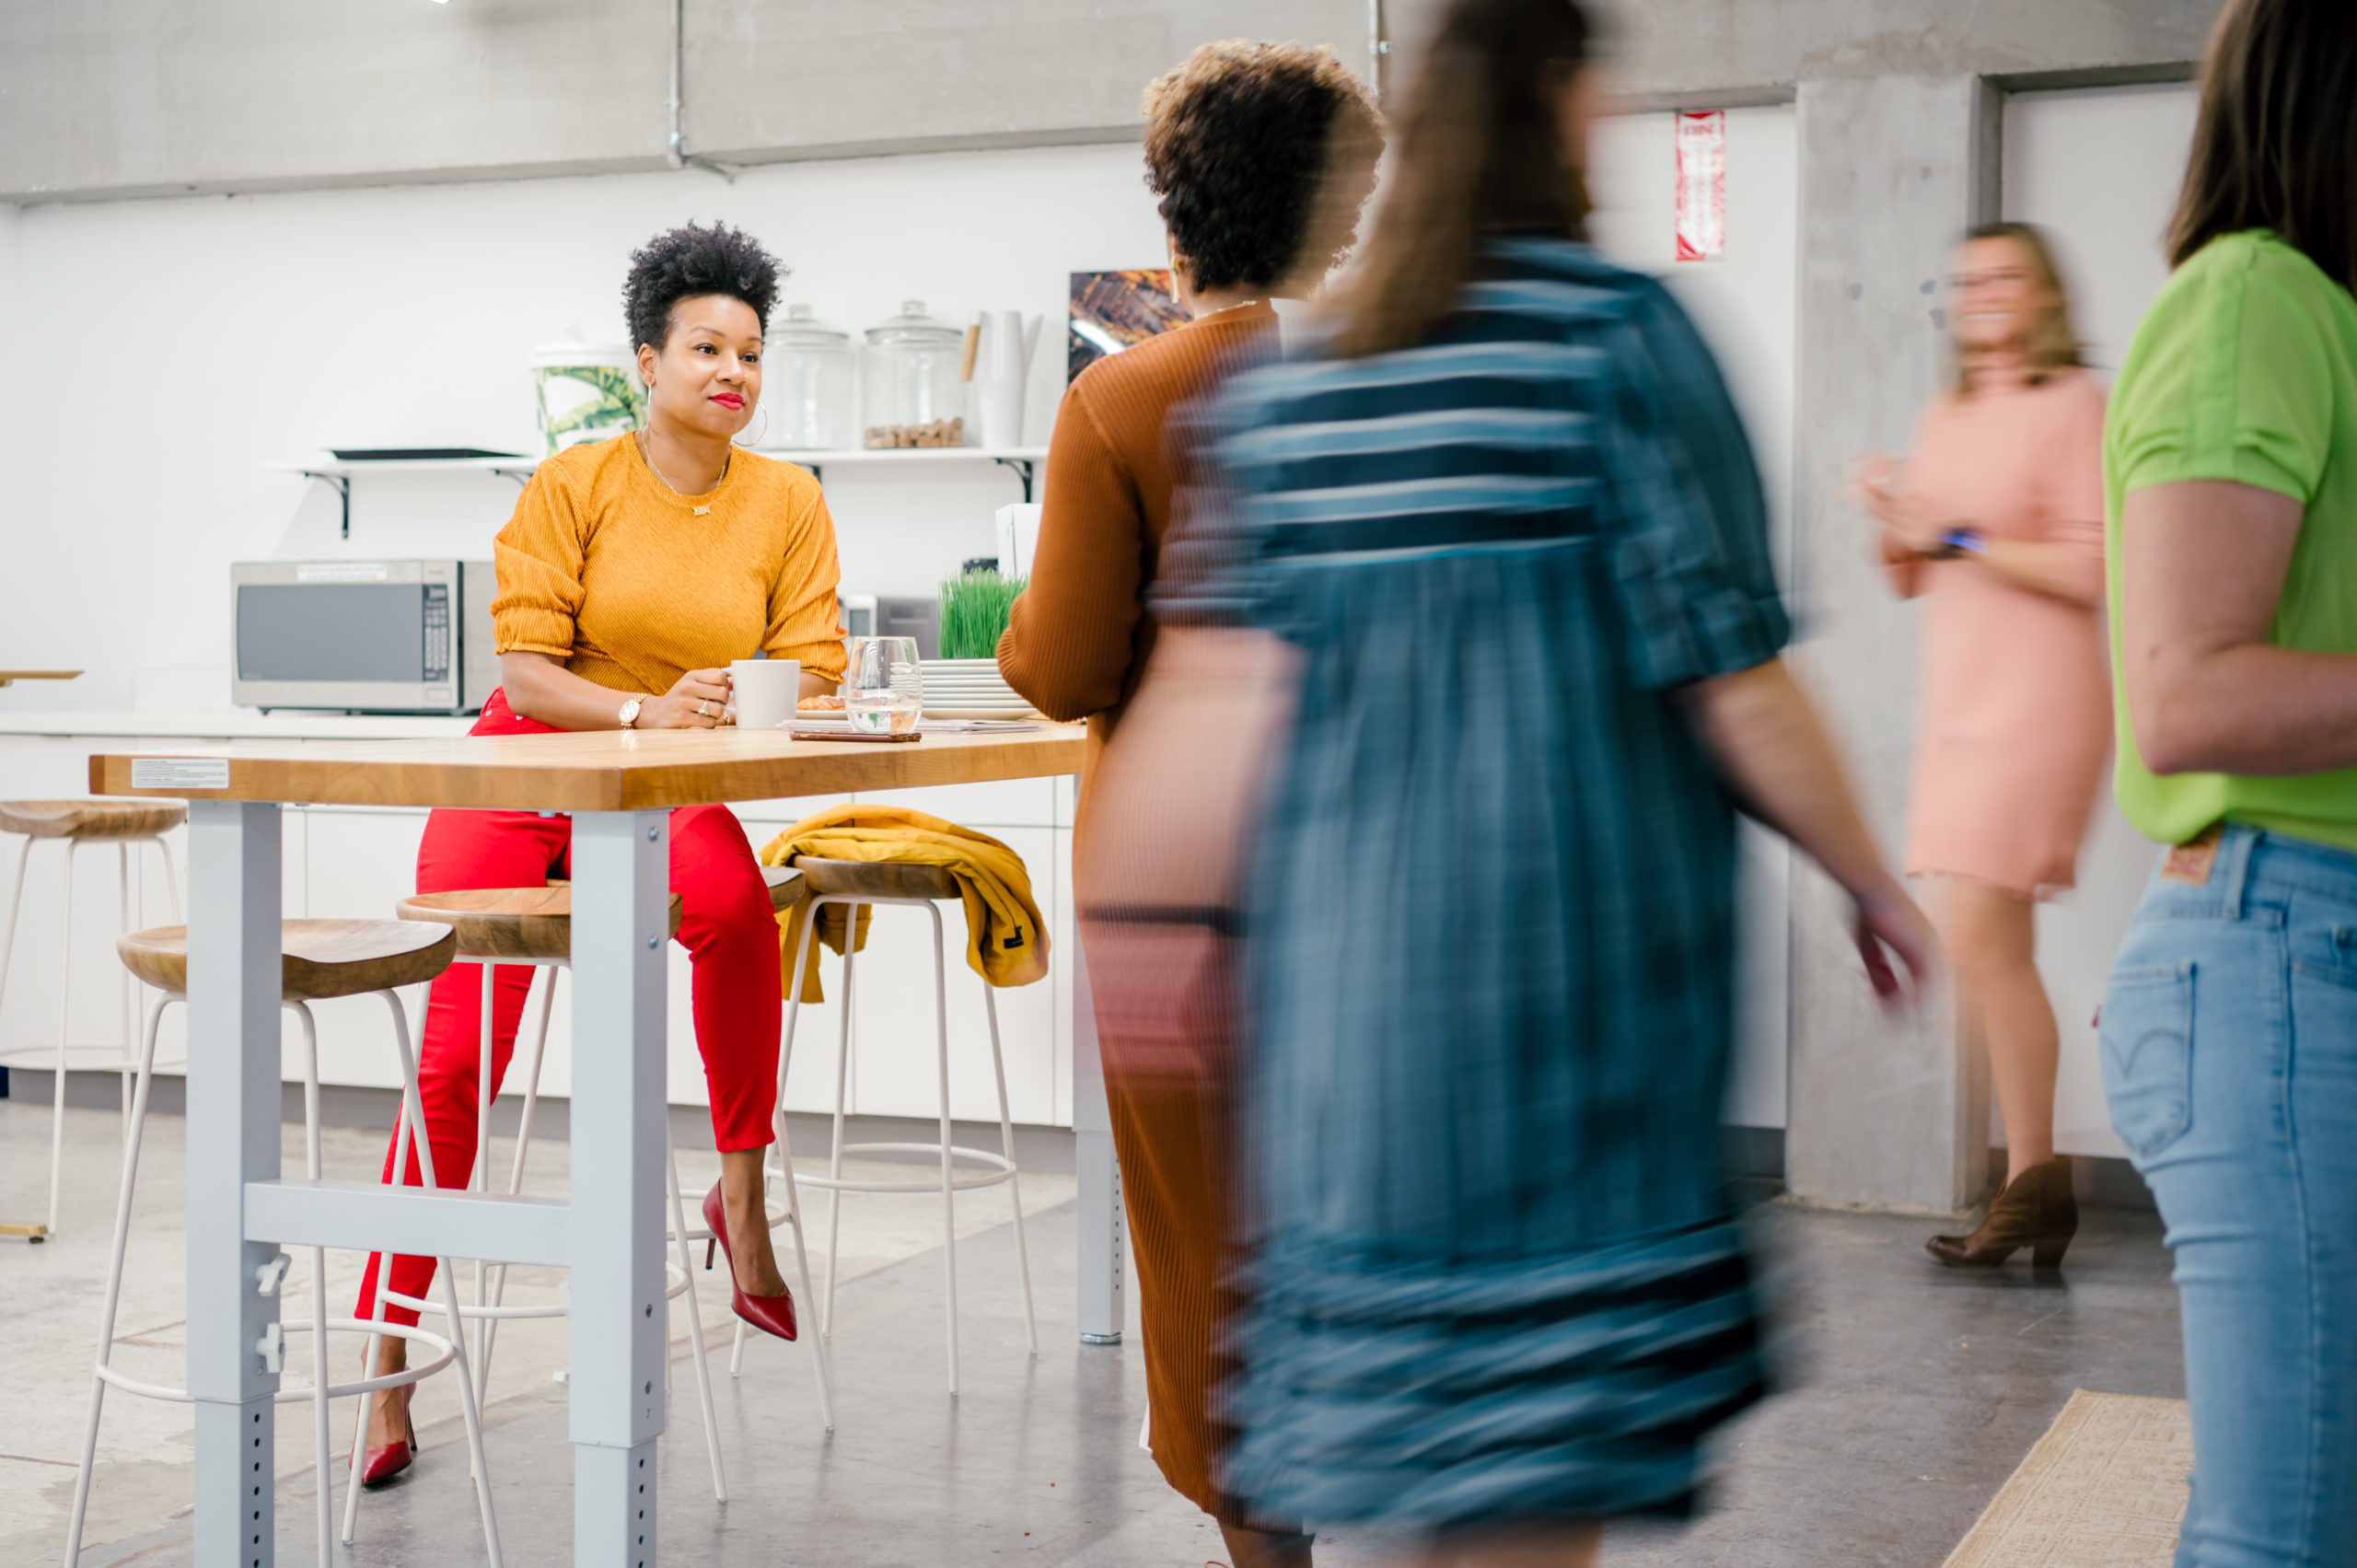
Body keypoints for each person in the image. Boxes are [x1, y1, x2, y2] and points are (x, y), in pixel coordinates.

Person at [1083, 3, 1933, 1563]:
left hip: (1359, 1077)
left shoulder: (1302, 394)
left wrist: (1147, 939)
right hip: (1566, 1046)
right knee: (1523, 1516)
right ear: (1564, 102)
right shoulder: (1618, 343)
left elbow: (1201, 704)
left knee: (1427, 1488)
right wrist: (1872, 873)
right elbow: (1733, 683)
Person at [350, 222, 846, 1483]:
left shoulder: (787, 499)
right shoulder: (573, 483)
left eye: (748, 351)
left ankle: (739, 1195)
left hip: (666, 781)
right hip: (525, 764)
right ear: (649, 359)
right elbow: (520, 664)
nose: (731, 370)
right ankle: (391, 1361)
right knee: (461, 1054)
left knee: (738, 908)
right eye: (706, 347)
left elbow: (816, 662)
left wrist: (743, 702)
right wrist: (639, 708)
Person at [996, 40, 1382, 1568]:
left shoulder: (1122, 400)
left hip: (1177, 882)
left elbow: (1066, 661)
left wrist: (1032, 629)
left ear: (1174, 220)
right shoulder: (1374, 397)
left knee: (1210, 1241)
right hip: (1361, 864)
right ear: (1329, 222)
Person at [2100, 2, 2357, 1562]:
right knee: (2288, 1533)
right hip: (2282, 964)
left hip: (2306, 952)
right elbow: (2191, 690)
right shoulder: (2254, 297)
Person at [1850, 221, 2109, 1269]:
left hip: (2039, 700)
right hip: (1960, 699)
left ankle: (2036, 1179)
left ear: (2046, 295)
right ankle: (2036, 1183)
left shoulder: (2075, 403)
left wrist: (1955, 533)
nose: (1984, 293)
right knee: (1985, 944)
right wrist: (1891, 518)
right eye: (1966, 281)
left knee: (1982, 938)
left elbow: (2092, 568)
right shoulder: (1946, 413)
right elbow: (1910, 571)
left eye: (2006, 276)